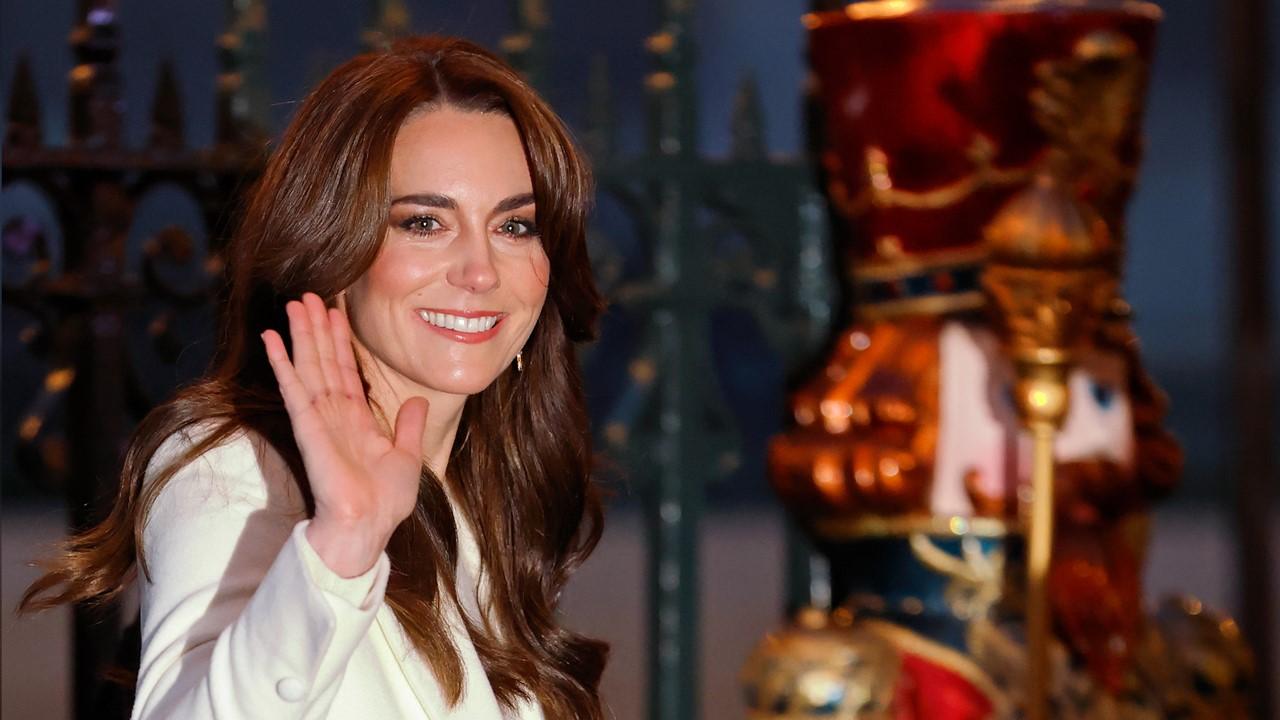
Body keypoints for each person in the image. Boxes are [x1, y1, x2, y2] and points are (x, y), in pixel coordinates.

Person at [19, 36, 609, 719]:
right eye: (424, 222)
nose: (480, 270)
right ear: (333, 250)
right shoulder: (238, 466)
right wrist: (341, 546)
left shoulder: (485, 490)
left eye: (515, 226)